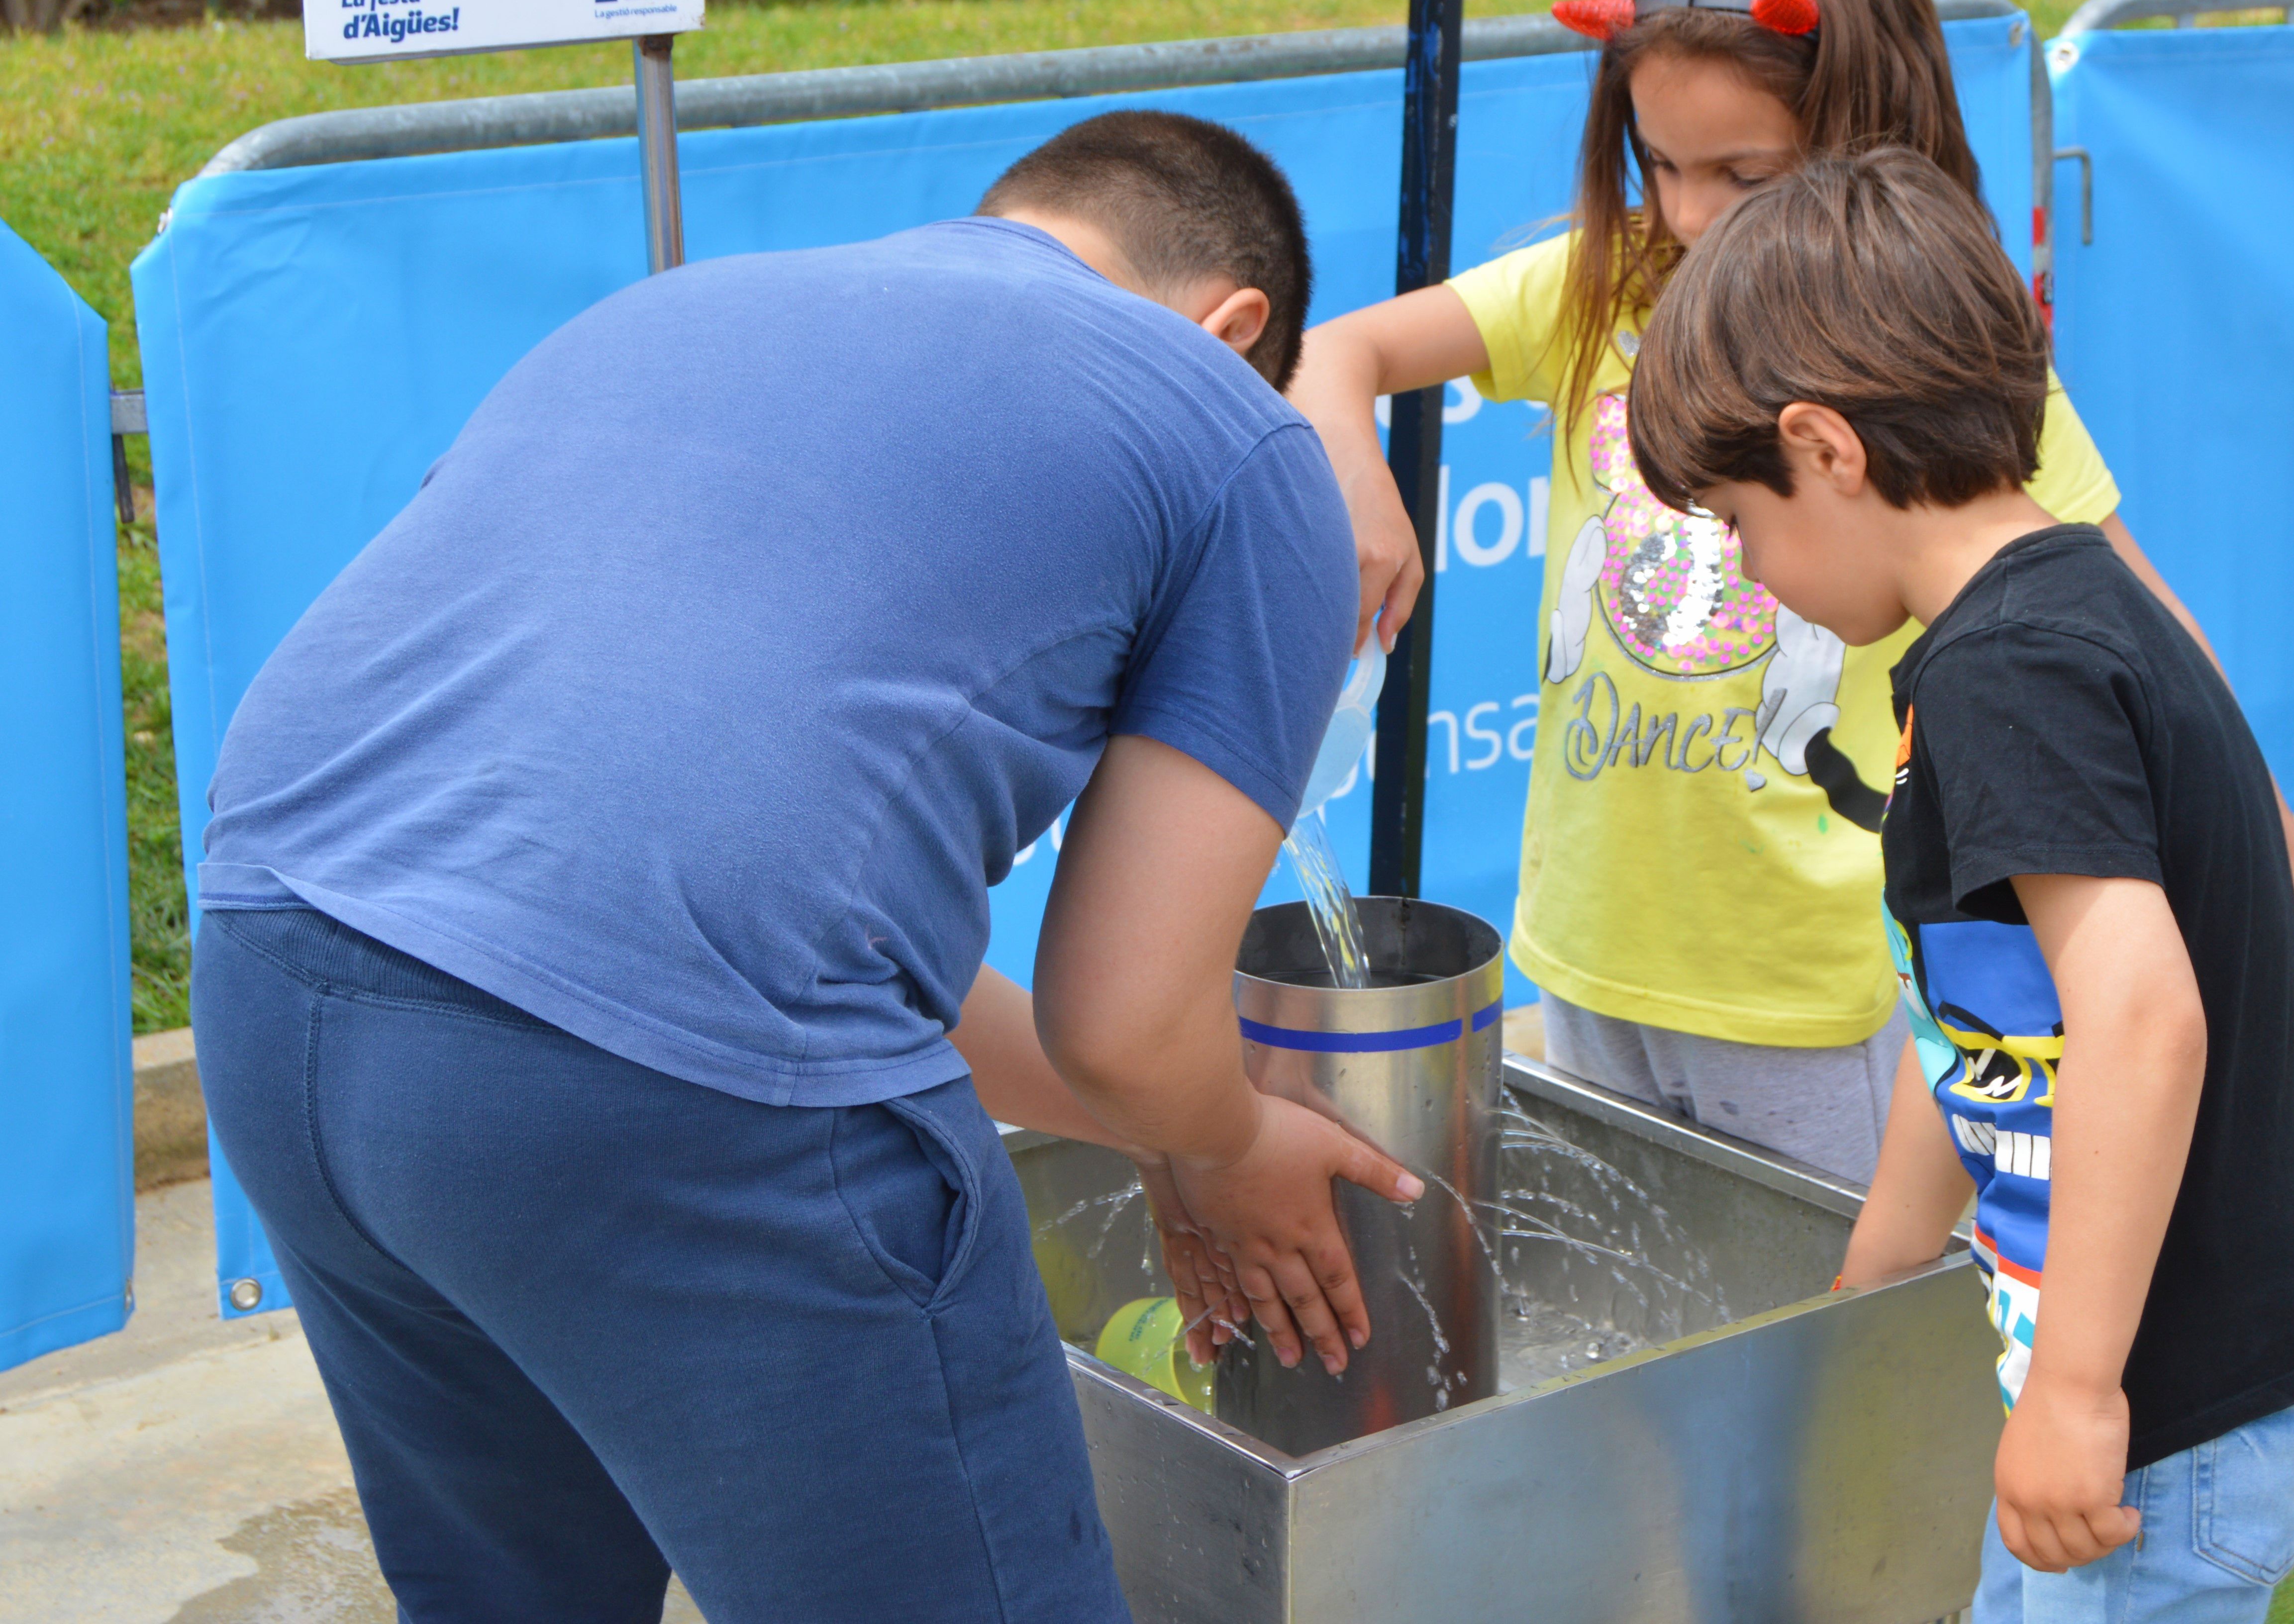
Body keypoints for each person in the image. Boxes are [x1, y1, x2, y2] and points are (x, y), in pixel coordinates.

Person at [187, 110, 1422, 1624]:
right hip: (643, 1089)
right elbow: (1125, 1017)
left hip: (278, 977)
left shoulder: (677, 310)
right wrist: (1228, 1137)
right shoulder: (1231, 428)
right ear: (1239, 328)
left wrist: (1159, 1127)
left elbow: (735, 905)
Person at [1285, 0, 2294, 1184]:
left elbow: (2140, 627)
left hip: (1821, 996)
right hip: (1594, 961)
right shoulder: (1600, 285)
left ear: (1864, 130)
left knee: (1833, 1349)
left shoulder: (1923, 360)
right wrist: (1355, 474)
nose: (1688, 216)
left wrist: (2282, 854)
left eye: (1743, 174)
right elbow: (1332, 353)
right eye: (1662, 164)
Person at [1626, 147, 2294, 1620]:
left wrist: (2081, 1388)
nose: (1746, 568)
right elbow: (1976, 1012)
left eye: (1737, 519)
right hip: (2142, 1375)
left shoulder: (2007, 673)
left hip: (2169, 1396)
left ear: (1827, 446)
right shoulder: (2039, 618)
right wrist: (1879, 1276)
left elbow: (2140, 1018)